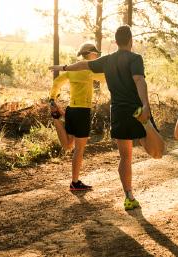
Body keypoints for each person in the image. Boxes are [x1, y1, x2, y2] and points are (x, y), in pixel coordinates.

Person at [50, 26, 164, 210]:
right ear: (130, 40)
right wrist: (146, 105)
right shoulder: (135, 58)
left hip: (117, 112)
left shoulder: (107, 60)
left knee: (125, 156)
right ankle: (146, 126)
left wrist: (62, 67)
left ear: (116, 41)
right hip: (135, 109)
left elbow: (82, 65)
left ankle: (128, 197)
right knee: (158, 151)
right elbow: (139, 80)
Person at [49, 43, 105, 191]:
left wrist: (52, 98)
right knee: (78, 149)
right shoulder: (89, 71)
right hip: (82, 112)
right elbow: (105, 77)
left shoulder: (72, 70)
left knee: (68, 145)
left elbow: (57, 82)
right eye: (96, 54)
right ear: (90, 54)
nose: (97, 56)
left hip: (71, 110)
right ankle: (75, 182)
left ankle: (56, 118)